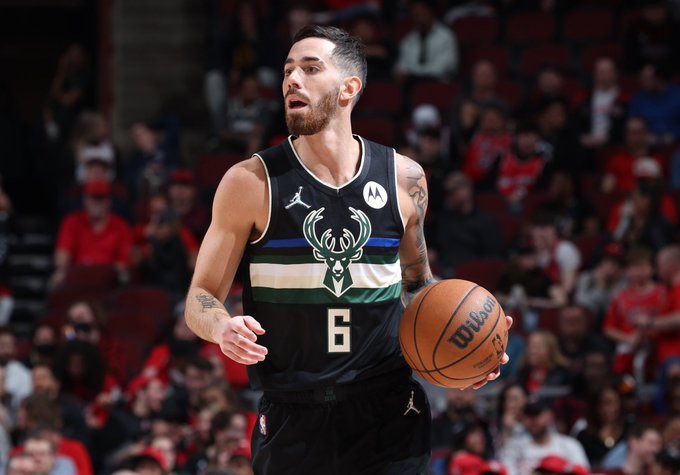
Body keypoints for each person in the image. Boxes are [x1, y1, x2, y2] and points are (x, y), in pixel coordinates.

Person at [184, 24, 510, 474]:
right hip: (294, 413)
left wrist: (468, 344)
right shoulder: (250, 182)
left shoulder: (405, 178)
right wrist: (222, 327)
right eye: (287, 70)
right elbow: (200, 297)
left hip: (389, 412)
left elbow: (418, 286)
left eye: (310, 68)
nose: (292, 80)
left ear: (349, 88)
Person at [500, 398, 590, 475]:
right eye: (528, 415)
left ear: (550, 416)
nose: (532, 420)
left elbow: (582, 472)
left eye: (536, 414)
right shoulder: (513, 447)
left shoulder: (569, 445)